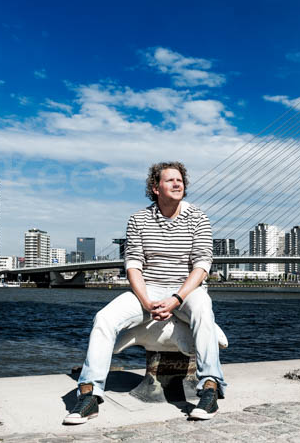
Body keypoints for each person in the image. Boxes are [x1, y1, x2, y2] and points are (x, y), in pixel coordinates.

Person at [64, 161, 226, 424]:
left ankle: (210, 388)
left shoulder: (198, 217)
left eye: (180, 180)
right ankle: (90, 394)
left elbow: (202, 266)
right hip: (148, 288)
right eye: (170, 180)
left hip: (186, 289)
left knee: (203, 310)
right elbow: (133, 266)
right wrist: (147, 302)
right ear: (155, 188)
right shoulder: (138, 219)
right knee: (104, 318)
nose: (177, 183)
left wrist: (176, 299)